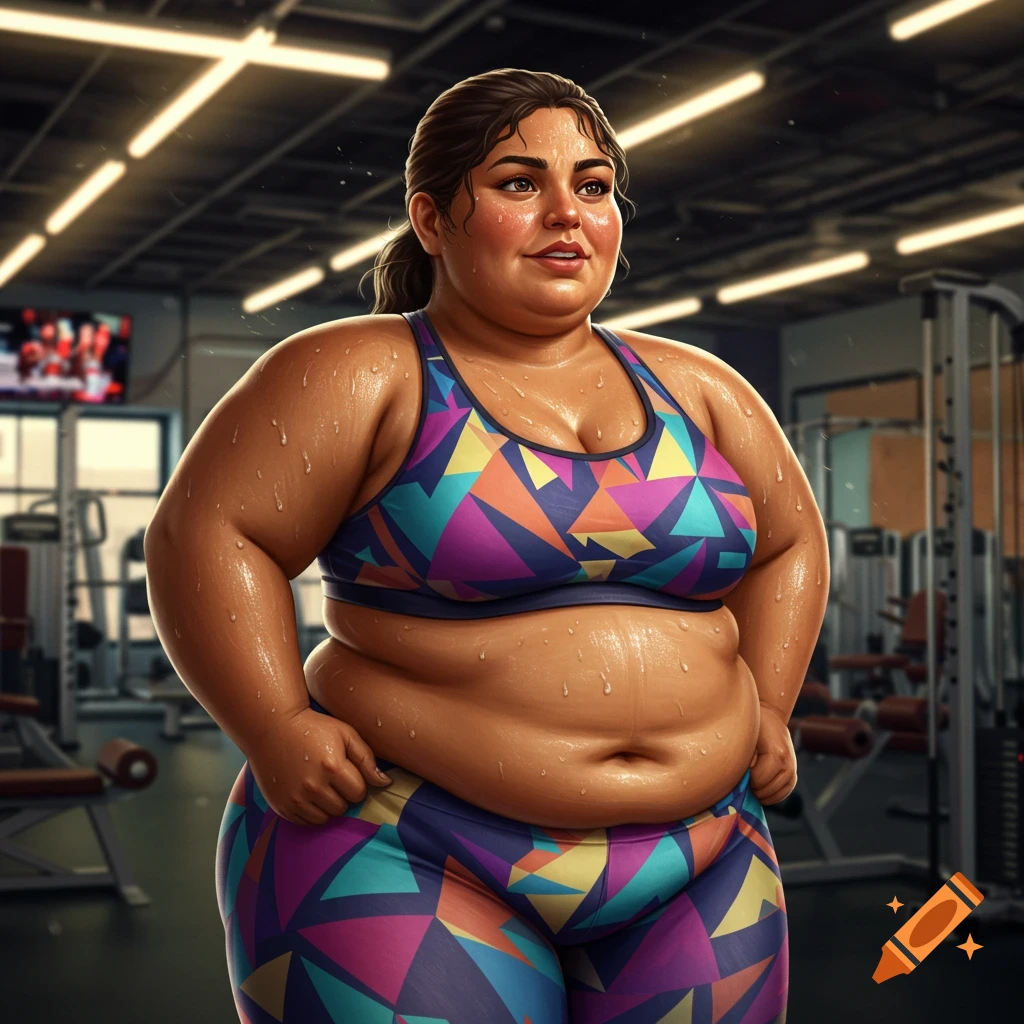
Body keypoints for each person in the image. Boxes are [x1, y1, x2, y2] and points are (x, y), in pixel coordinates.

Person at [145, 68, 827, 1024]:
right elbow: (209, 533)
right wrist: (275, 726)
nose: (567, 213)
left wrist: (772, 703)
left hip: (703, 854)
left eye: (593, 186)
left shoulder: (698, 386)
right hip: (405, 843)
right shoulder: (363, 371)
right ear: (431, 219)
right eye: (518, 183)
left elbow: (789, 544)